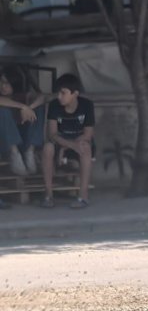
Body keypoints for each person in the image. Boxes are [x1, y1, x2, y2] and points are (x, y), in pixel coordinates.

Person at [40, 73, 95, 209]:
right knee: (48, 147)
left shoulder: (87, 105)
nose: (59, 97)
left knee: (85, 147)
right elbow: (52, 134)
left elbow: (88, 134)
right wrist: (67, 145)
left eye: (63, 93)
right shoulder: (54, 105)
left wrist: (69, 147)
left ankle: (83, 196)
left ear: (75, 93)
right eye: (58, 93)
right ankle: (48, 195)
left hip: (79, 141)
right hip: (60, 141)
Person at [0, 65, 47, 178]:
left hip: (23, 140)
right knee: (3, 110)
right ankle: (14, 154)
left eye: (7, 83)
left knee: (38, 109)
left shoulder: (21, 95)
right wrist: (23, 107)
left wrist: (30, 107)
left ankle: (30, 151)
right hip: (6, 144)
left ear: (14, 83)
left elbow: (42, 97)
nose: (2, 86)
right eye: (1, 82)